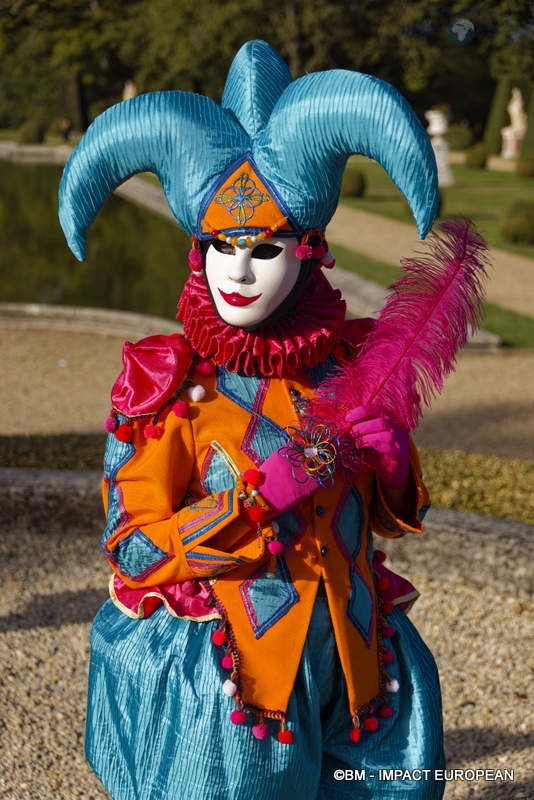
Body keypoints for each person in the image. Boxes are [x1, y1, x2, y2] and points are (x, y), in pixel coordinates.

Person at [59, 40, 444, 800]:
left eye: (265, 248)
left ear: (311, 252)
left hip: (361, 663)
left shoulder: (355, 365)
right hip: (238, 686)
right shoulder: (169, 384)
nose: (237, 271)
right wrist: (256, 497)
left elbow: (389, 519)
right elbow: (132, 548)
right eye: (217, 246)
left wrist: (394, 465)